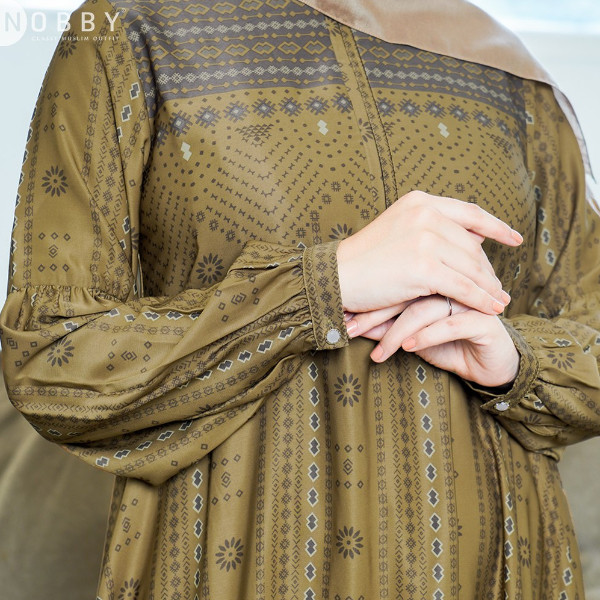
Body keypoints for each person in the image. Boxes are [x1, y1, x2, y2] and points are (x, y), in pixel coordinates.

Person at [1, 0, 599, 597]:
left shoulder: (510, 77)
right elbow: (51, 352)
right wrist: (317, 287)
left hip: (493, 562)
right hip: (248, 562)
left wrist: (518, 359)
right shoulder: (135, 29)